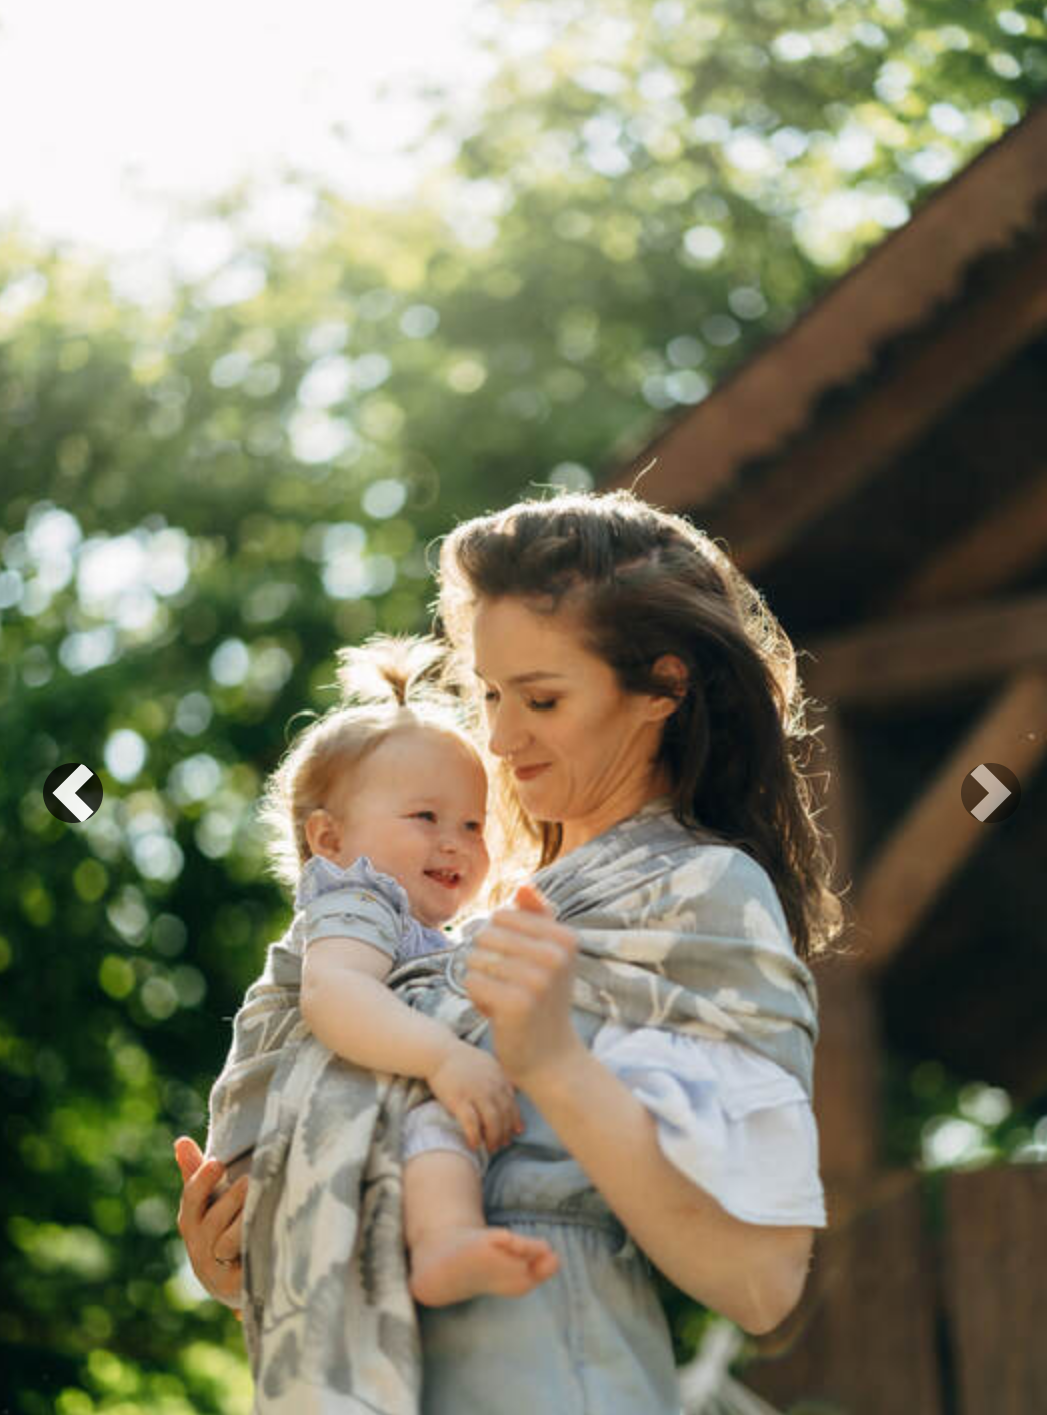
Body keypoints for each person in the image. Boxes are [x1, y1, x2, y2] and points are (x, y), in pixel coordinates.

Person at [176, 488, 843, 1415]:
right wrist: (255, 1245)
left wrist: (556, 1063)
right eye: (490, 692)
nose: (495, 735)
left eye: (540, 697)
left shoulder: (701, 892)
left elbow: (762, 1280)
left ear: (661, 686)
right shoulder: (456, 907)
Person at [203, 634, 562, 1306]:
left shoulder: (412, 929)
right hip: (271, 1165)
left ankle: (441, 1245)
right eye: (425, 816)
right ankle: (444, 1239)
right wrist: (444, 1058)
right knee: (434, 1103)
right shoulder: (355, 898)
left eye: (473, 823)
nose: (454, 840)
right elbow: (334, 997)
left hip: (305, 1178)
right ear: (329, 840)